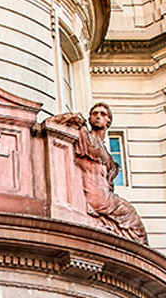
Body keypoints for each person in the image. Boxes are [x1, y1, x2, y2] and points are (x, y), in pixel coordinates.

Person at [47, 103, 147, 244]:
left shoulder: (105, 152)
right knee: (134, 223)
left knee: (136, 228)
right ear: (89, 119)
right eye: (95, 113)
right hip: (97, 197)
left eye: (102, 114)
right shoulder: (84, 136)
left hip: (104, 195)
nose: (98, 116)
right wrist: (71, 117)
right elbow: (50, 122)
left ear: (108, 122)